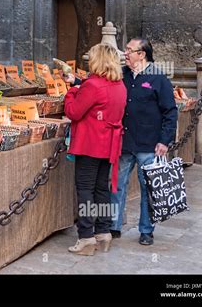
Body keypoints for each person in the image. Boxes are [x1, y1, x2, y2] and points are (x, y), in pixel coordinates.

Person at [110, 38, 177, 246]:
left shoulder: (159, 78)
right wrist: (76, 82)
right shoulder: (122, 74)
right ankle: (114, 226)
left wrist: (165, 141)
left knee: (148, 189)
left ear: (142, 54)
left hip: (149, 144)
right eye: (126, 50)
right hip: (125, 142)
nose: (125, 53)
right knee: (116, 185)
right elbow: (100, 85)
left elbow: (170, 112)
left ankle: (146, 230)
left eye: (129, 50)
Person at [63, 43, 127, 256]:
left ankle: (86, 237)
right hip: (109, 145)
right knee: (102, 189)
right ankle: (103, 232)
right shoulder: (120, 85)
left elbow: (74, 112)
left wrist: (72, 91)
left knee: (85, 190)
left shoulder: (93, 85)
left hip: (91, 144)